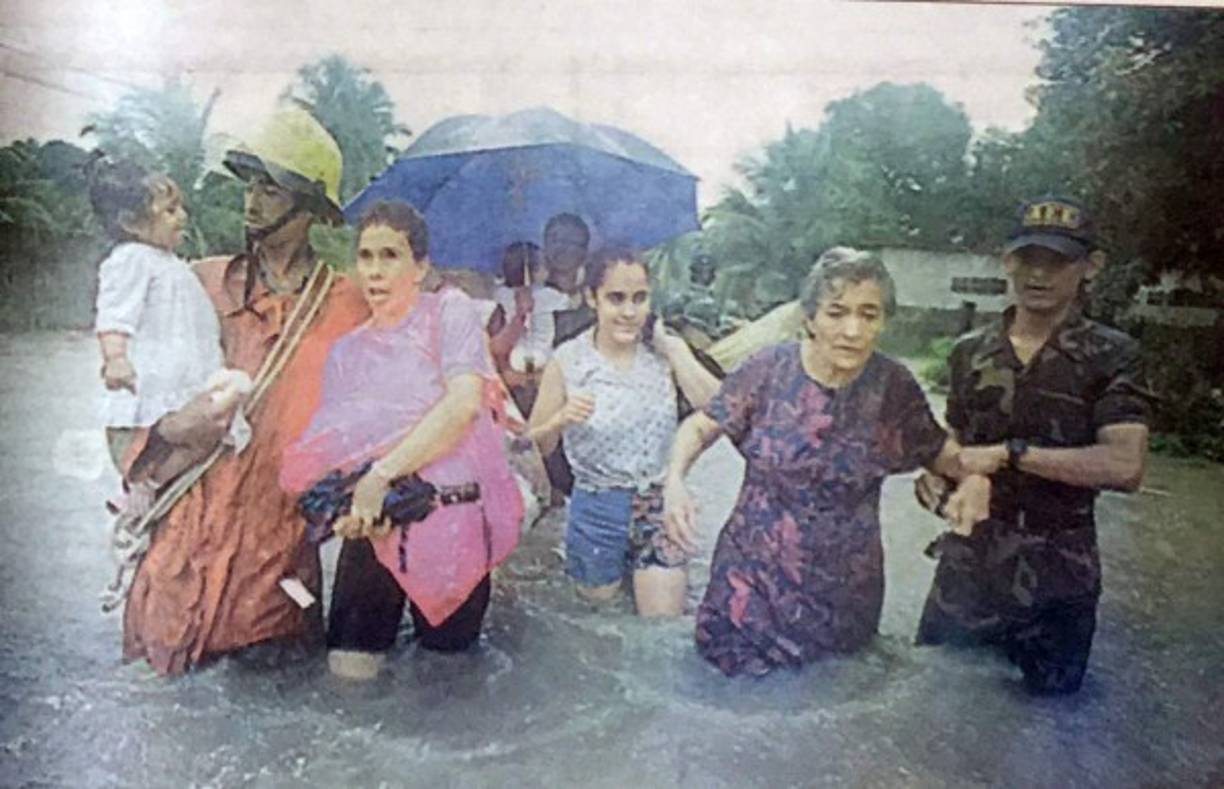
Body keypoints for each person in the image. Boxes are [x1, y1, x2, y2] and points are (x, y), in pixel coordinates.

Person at [121, 107, 370, 675]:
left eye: (272, 189)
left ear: (310, 208)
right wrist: (165, 430)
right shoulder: (196, 282)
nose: (252, 200)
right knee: (161, 704)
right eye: (250, 184)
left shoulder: (348, 308)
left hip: (277, 559)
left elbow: (379, 421)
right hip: (182, 548)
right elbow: (130, 397)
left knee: (280, 697)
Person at [664, 247, 988, 677]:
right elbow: (701, 426)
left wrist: (974, 480)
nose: (852, 330)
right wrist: (674, 482)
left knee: (834, 705)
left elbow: (944, 454)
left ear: (883, 321)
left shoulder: (893, 388)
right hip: (749, 588)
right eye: (836, 313)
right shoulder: (769, 370)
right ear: (810, 318)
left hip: (843, 596)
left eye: (868, 315)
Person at [913, 197, 1151, 695]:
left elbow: (1125, 466)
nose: (1039, 274)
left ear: (1091, 267)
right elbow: (953, 441)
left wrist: (1011, 454)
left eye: (1058, 261)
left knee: (1048, 728)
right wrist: (937, 479)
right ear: (1008, 260)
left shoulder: (1112, 355)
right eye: (1028, 259)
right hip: (969, 570)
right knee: (932, 707)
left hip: (1060, 572)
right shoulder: (970, 351)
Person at [280, 201, 523, 680]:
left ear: (421, 266)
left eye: (390, 256)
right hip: (377, 526)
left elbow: (463, 405)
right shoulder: (347, 351)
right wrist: (341, 505)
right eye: (365, 257)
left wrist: (381, 474)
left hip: (450, 519)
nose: (374, 271)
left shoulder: (448, 314)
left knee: (448, 680)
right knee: (349, 673)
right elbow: (336, 447)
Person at [528, 247, 721, 616]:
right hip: (595, 507)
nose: (629, 312)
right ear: (592, 298)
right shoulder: (568, 359)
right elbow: (532, 444)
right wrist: (561, 419)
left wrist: (675, 348)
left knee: (659, 631)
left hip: (659, 504)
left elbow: (724, 411)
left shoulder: (663, 354)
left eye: (640, 298)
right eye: (616, 298)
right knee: (597, 630)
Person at [487, 241, 571, 416]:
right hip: (524, 363)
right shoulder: (548, 296)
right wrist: (520, 314)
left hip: (535, 364)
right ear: (534, 271)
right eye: (543, 266)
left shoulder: (503, 295)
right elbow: (495, 346)